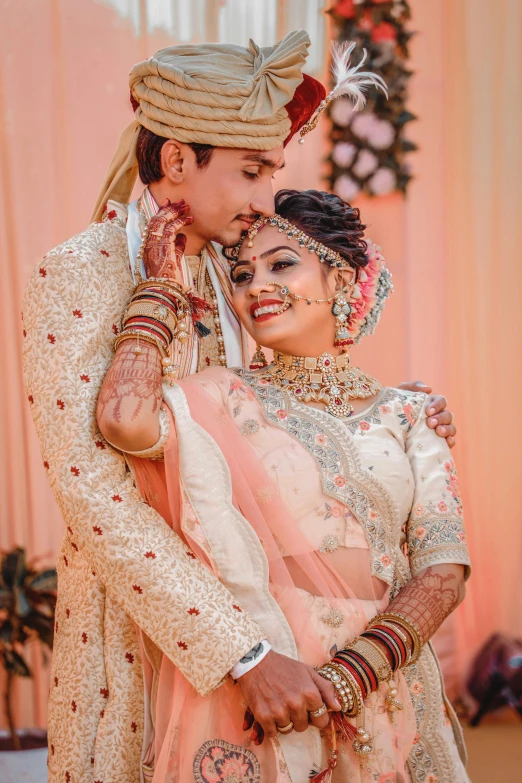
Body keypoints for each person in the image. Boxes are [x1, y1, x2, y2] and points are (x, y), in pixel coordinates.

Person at [22, 33, 457, 783]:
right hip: (146, 635)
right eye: (252, 171)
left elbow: (269, 413)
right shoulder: (81, 272)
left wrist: (387, 414)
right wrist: (243, 651)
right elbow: (95, 491)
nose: (263, 198)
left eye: (271, 174)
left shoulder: (234, 263)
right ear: (178, 161)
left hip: (287, 620)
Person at [100, 188, 471, 782]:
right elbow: (123, 418)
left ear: (342, 279)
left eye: (282, 264)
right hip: (264, 680)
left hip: (385, 685)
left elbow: (443, 573)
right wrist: (161, 289)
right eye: (242, 275)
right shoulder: (221, 396)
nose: (256, 287)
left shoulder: (410, 414)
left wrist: (349, 678)